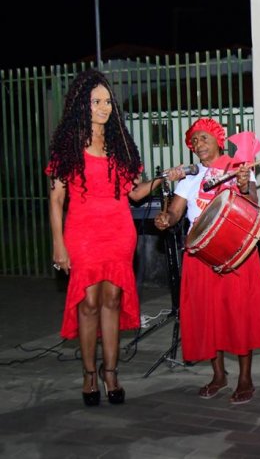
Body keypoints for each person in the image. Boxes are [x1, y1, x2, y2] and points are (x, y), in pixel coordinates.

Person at [47, 69, 176, 406]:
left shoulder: (120, 146)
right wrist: (58, 243)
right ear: (81, 105)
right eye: (96, 101)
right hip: (82, 232)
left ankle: (111, 373)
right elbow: (57, 199)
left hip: (119, 231)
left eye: (107, 102)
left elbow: (134, 195)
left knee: (112, 301)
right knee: (88, 303)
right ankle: (89, 374)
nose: (104, 108)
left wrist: (163, 178)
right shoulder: (67, 148)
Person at [154, 117, 260, 404]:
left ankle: (245, 377)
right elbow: (177, 213)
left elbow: (253, 201)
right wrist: (165, 218)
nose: (197, 144)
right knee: (208, 315)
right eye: (193, 141)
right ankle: (218, 375)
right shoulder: (191, 176)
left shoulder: (237, 167)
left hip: (236, 252)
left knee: (238, 314)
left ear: (219, 140)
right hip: (201, 254)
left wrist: (244, 184)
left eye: (203, 138)